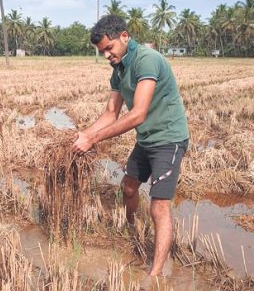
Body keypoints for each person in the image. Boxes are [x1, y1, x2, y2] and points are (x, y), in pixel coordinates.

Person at [72, 15, 189, 276]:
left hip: (168, 139)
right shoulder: (119, 69)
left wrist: (94, 139)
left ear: (124, 36)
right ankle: (131, 227)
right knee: (128, 187)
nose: (106, 55)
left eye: (109, 48)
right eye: (102, 51)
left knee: (159, 205)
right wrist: (83, 135)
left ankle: (155, 273)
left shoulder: (146, 60)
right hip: (146, 139)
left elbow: (137, 114)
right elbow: (111, 113)